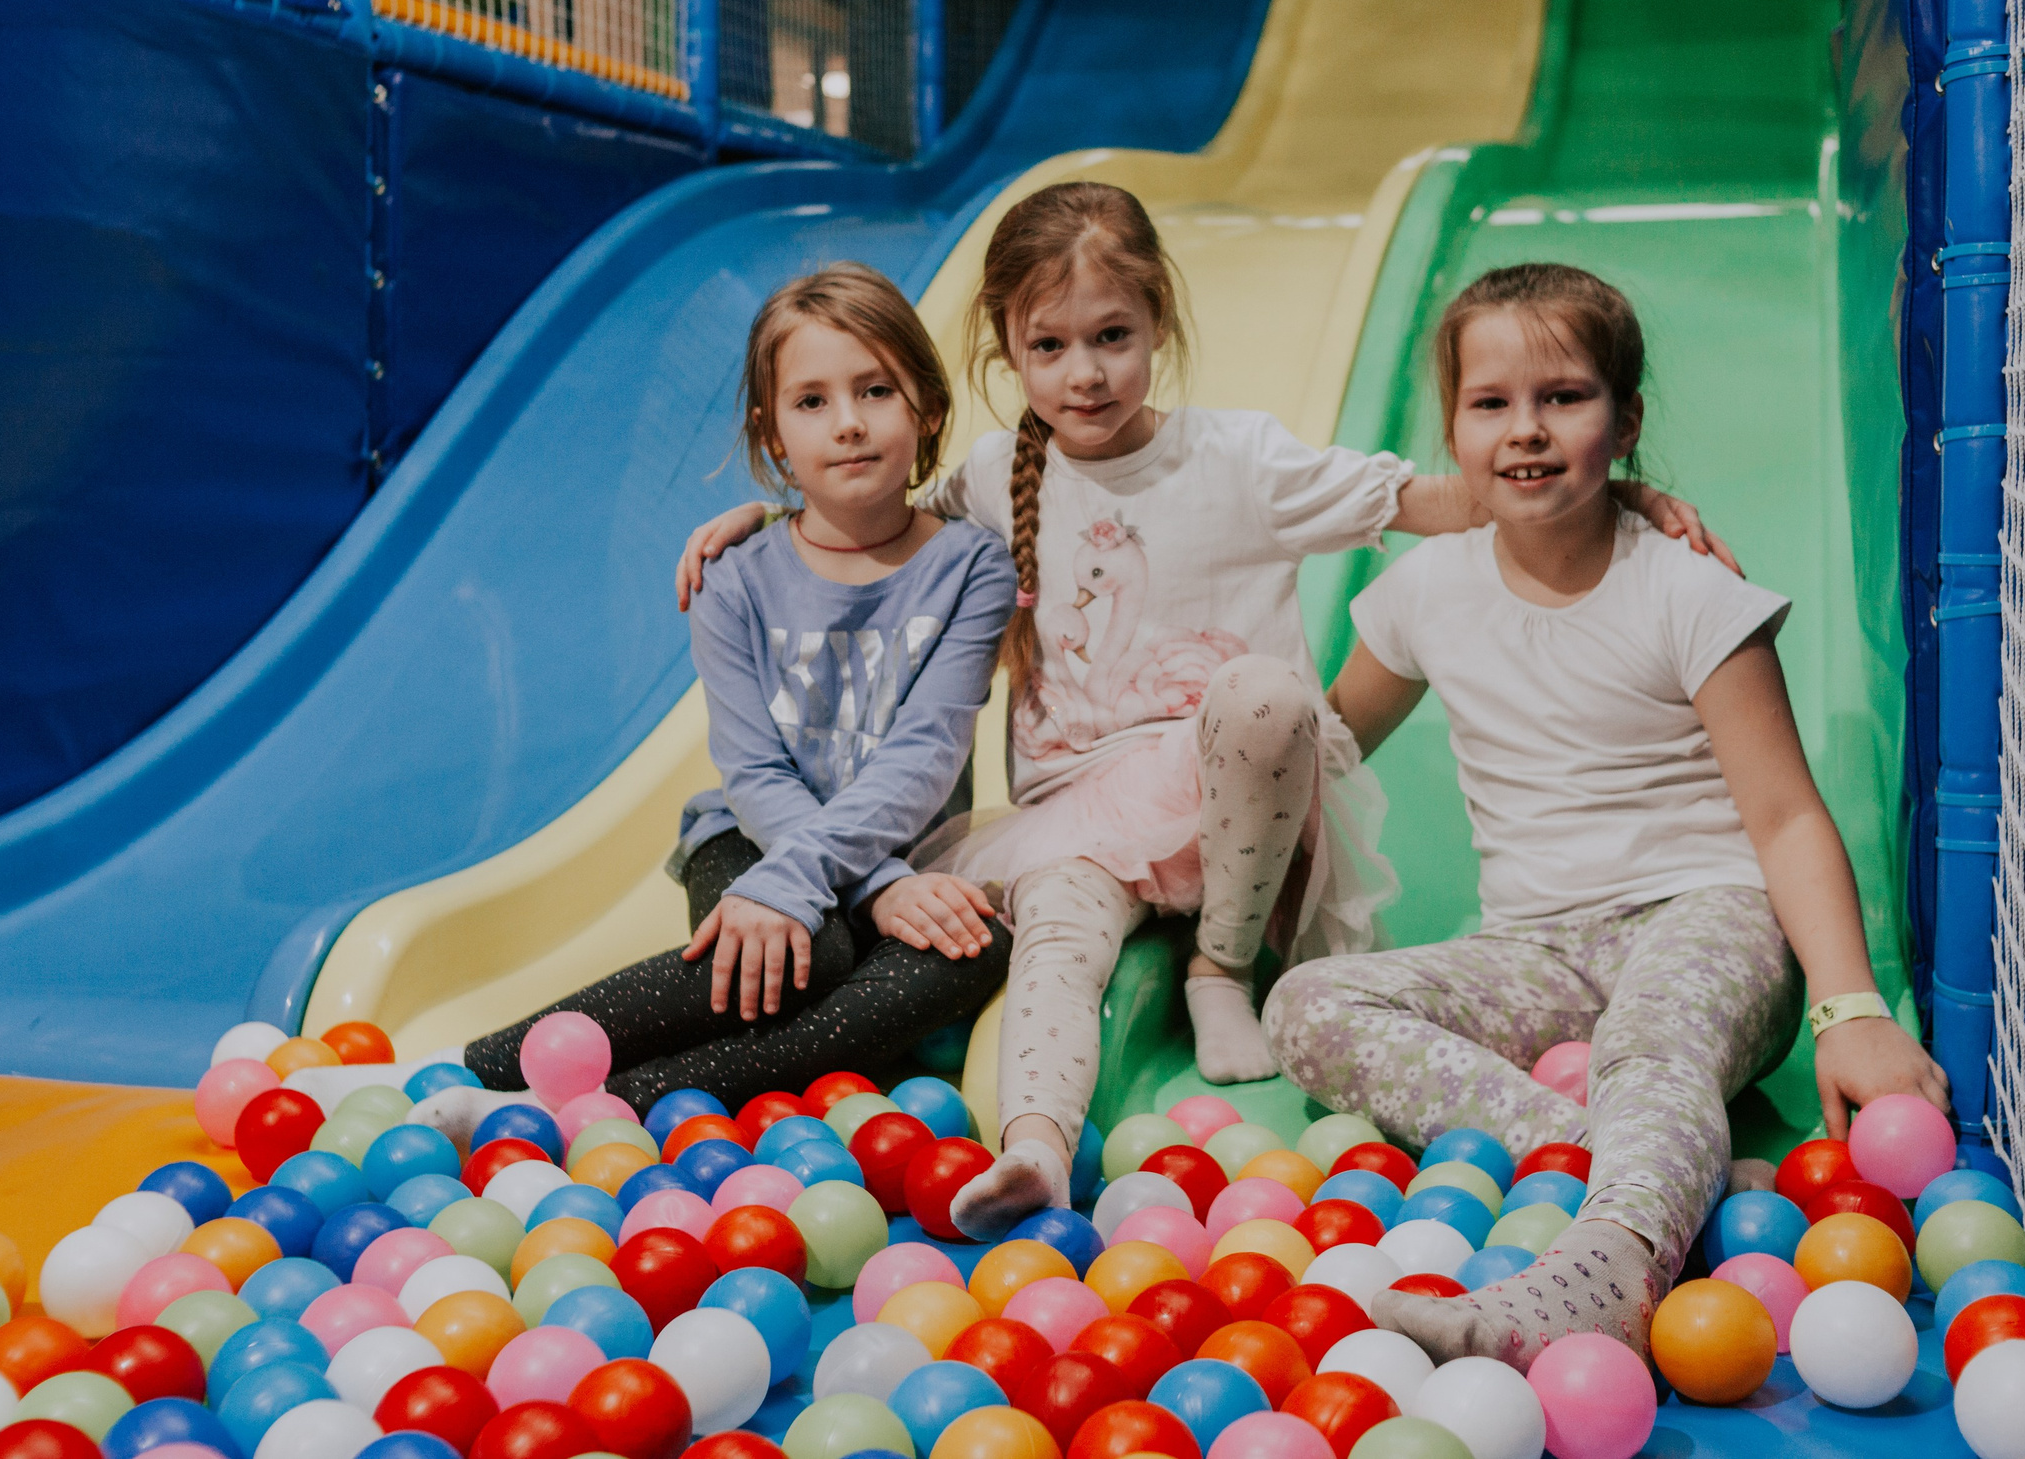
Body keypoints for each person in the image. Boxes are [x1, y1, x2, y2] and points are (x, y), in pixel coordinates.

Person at [677, 185, 1727, 1237]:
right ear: (1006, 349)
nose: (1083, 372)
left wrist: (1616, 492)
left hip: (1235, 803)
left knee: (1265, 694)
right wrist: (768, 520)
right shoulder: (996, 477)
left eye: (1112, 337)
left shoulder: (1237, 459)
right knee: (1056, 938)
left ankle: (1217, 963)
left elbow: (1433, 498)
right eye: (1049, 346)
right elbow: (877, 517)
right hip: (1077, 815)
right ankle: (1035, 1146)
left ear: (1158, 329)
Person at [1264, 261, 1949, 1367]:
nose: (1524, 430)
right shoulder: (1424, 593)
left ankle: (1608, 1266)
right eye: (1490, 404)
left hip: (1708, 919)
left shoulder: (1686, 591)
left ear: (1624, 421)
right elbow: (1322, 748)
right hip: (1538, 950)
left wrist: (1847, 1008)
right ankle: (1647, 1152)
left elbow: (1784, 819)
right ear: (1452, 428)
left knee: (1650, 1040)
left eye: (1563, 398)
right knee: (1307, 1008)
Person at [301, 263, 1016, 1128]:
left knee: (974, 954)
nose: (850, 423)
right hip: (751, 839)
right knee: (811, 949)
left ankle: (594, 1104)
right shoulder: (733, 578)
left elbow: (924, 757)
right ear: (774, 434)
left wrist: (878, 883)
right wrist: (858, 887)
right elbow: (753, 771)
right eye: (812, 401)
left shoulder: (972, 567)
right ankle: (461, 1072)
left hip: (910, 854)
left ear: (928, 408)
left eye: (876, 390)